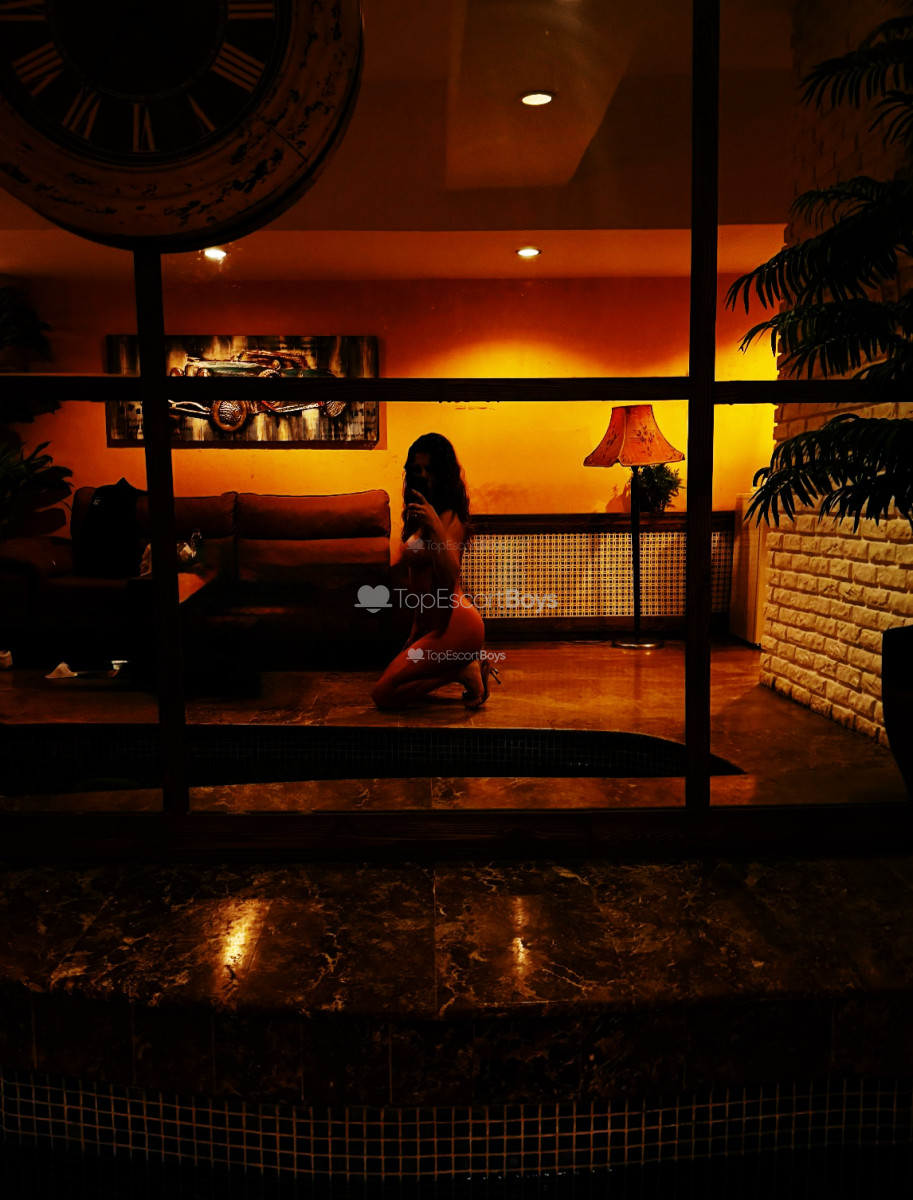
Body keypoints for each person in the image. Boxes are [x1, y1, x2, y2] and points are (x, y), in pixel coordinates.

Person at [372, 433, 500, 710]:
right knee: (392, 690)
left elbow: (449, 575)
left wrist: (435, 527)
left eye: (429, 469)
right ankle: (462, 669)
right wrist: (417, 625)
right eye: (416, 469)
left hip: (457, 625)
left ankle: (462, 670)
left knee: (383, 694)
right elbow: (421, 581)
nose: (422, 476)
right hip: (435, 623)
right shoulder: (419, 515)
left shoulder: (449, 517)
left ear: (443, 473)